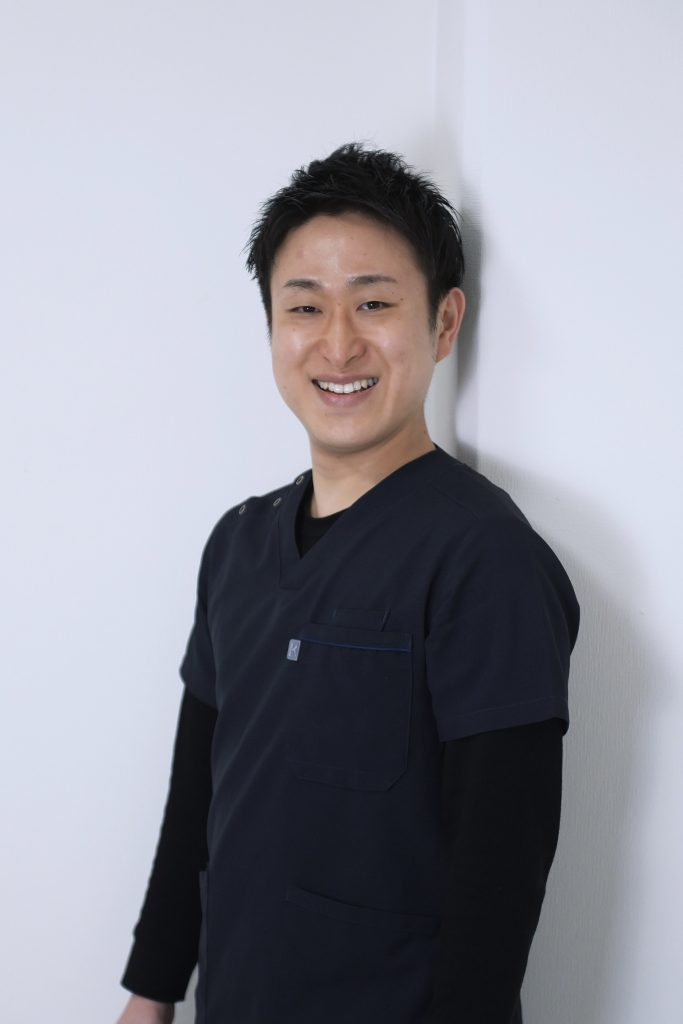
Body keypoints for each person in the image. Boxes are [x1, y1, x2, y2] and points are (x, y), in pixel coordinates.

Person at [115, 142, 580, 1024]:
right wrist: (151, 992)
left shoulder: (484, 559)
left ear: (443, 322)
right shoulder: (238, 544)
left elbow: (500, 876)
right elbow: (197, 802)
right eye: (304, 306)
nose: (337, 343)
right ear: (271, 327)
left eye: (373, 302)